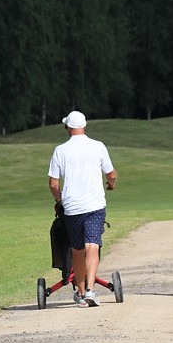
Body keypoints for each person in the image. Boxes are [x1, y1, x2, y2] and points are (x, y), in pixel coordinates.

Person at [48, 111, 117, 308]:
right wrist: (111, 184)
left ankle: (80, 291)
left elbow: (53, 183)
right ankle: (90, 290)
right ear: (84, 126)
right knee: (93, 245)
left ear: (68, 128)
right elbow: (111, 174)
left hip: (72, 207)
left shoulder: (60, 150)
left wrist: (59, 198)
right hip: (95, 205)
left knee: (77, 250)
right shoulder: (98, 146)